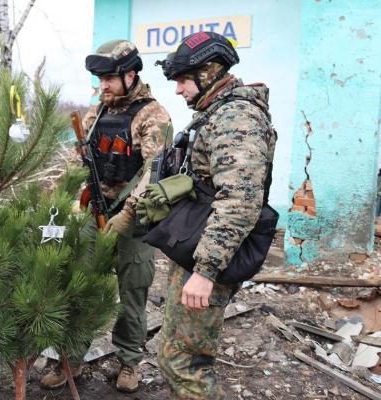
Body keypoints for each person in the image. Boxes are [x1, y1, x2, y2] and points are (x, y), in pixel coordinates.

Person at [40, 39, 171, 393]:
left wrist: (129, 212)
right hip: (93, 214)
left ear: (130, 75)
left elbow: (155, 170)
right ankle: (69, 359)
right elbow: (78, 159)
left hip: (133, 220)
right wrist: (64, 196)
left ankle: (129, 363)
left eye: (110, 78)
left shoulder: (153, 114)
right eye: (100, 79)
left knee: (133, 294)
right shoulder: (96, 113)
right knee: (79, 288)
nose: (104, 86)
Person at [153, 31, 277, 399]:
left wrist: (205, 272)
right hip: (201, 245)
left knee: (184, 362)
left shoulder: (236, 117)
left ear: (207, 73)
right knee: (175, 352)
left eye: (182, 80)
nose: (177, 90)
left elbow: (239, 199)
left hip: (212, 255)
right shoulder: (217, 112)